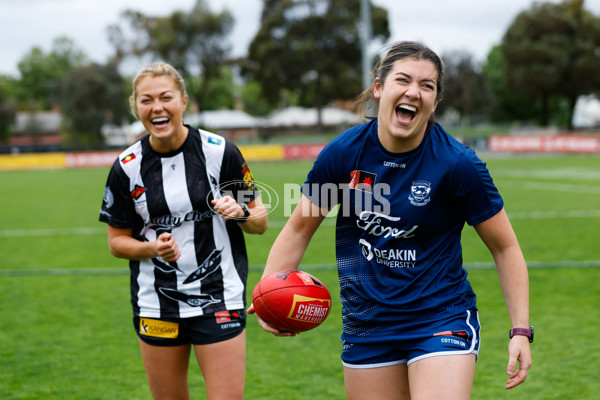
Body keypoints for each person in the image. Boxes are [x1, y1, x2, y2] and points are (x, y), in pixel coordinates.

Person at [249, 41, 532, 399]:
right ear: (380, 88)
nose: (414, 92)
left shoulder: (459, 164)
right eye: (403, 80)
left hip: (439, 317)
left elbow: (505, 247)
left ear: (435, 102)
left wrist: (520, 331)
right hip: (368, 323)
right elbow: (298, 229)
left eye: (427, 86)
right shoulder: (343, 154)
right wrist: (267, 295)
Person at [99, 62, 268, 400]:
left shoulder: (220, 153)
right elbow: (117, 243)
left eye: (166, 97)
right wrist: (152, 249)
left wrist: (240, 212)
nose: (157, 107)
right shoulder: (127, 167)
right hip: (156, 303)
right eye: (146, 100)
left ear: (183, 101)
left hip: (220, 298)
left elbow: (259, 222)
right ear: (136, 107)